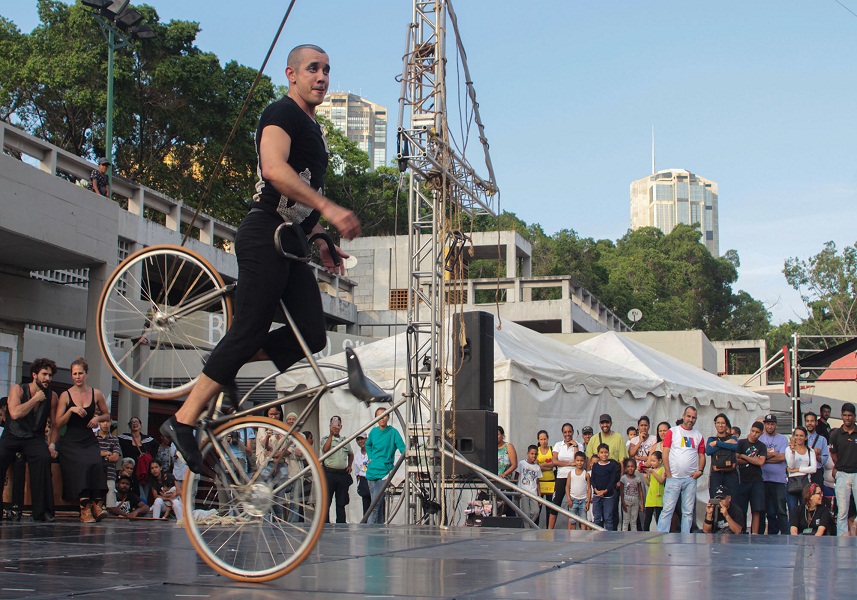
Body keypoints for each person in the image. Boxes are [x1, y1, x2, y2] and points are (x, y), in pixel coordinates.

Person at [161, 44, 361, 474]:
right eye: (313, 69)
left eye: (327, 69)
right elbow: (274, 170)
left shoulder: (315, 132)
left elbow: (301, 201)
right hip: (264, 234)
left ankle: (228, 363)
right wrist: (329, 209)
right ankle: (183, 420)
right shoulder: (281, 113)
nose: (322, 76)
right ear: (292, 74)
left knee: (312, 334)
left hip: (291, 242)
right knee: (249, 326)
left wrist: (322, 237)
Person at [0, 358, 58, 522]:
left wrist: (52, 444)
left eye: (50, 375)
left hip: (34, 437)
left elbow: (54, 425)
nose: (48, 378)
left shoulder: (52, 396)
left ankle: (42, 511)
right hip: (12, 434)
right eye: (44, 374)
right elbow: (15, 414)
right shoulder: (18, 389)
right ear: (34, 375)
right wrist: (34, 399)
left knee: (43, 458)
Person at [54, 357, 110, 523]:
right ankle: (84, 508)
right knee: (82, 465)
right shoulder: (65, 395)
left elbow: (107, 414)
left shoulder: (96, 393)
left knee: (96, 462)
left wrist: (97, 419)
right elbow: (58, 423)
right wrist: (71, 410)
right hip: (71, 439)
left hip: (88, 437)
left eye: (80, 373)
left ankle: (97, 504)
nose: (77, 376)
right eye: (74, 374)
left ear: (86, 374)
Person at [657, 406, 705, 533]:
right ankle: (661, 535)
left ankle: (686, 537)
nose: (691, 419)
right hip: (674, 478)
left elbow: (701, 455)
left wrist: (700, 471)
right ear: (683, 416)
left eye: (693, 417)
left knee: (688, 512)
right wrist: (668, 471)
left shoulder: (698, 435)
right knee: (667, 509)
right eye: (688, 416)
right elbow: (665, 452)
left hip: (690, 479)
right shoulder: (673, 432)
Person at [365, 407, 405, 524]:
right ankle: (378, 532)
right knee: (378, 504)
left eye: (384, 415)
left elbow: (403, 449)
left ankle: (370, 531)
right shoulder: (373, 432)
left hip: (385, 473)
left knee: (375, 504)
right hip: (372, 472)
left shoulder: (393, 432)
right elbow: (368, 445)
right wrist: (371, 457)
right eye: (379, 416)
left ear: (388, 417)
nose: (382, 419)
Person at [829, 402, 857, 536]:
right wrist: (841, 465)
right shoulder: (836, 434)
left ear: (855, 417)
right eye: (845, 415)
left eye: (850, 415)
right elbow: (833, 454)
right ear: (841, 416)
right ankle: (842, 539)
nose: (847, 418)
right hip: (842, 473)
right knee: (842, 512)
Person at [734, 421, 767, 534]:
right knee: (741, 509)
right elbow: (735, 459)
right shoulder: (741, 443)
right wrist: (753, 459)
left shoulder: (761, 446)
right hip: (742, 480)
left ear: (761, 434)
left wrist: (744, 456)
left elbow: (761, 462)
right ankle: (741, 532)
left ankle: (755, 534)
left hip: (756, 481)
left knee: (757, 510)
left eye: (757, 432)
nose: (754, 434)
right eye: (753, 431)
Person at [759, 414, 789, 534]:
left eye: (772, 424)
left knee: (781, 510)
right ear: (764, 424)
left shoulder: (782, 439)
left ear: (776, 425)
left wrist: (765, 457)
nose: (770, 426)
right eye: (767, 424)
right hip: (763, 479)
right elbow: (757, 457)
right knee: (767, 511)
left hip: (779, 480)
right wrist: (773, 454)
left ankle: (786, 534)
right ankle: (770, 534)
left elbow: (782, 457)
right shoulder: (760, 439)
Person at [321, 415, 353, 524]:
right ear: (330, 426)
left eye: (338, 425)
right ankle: (325, 524)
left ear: (341, 426)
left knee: (341, 502)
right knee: (327, 501)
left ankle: (341, 525)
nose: (336, 428)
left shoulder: (345, 441)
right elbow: (325, 449)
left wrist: (349, 465)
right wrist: (331, 434)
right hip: (329, 473)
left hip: (342, 474)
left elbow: (351, 454)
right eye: (333, 425)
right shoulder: (326, 439)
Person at [548, 423, 579, 529]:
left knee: (572, 504)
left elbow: (578, 461)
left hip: (574, 477)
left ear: (573, 432)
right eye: (565, 432)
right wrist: (569, 464)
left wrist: (575, 446)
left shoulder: (578, 445)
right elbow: (554, 461)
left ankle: (570, 532)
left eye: (569, 432)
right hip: (561, 477)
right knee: (555, 503)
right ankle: (549, 530)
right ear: (562, 433)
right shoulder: (558, 445)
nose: (567, 434)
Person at [118, 416, 156, 502]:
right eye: (132, 422)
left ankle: (142, 512)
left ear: (140, 425)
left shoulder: (147, 439)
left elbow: (156, 445)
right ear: (130, 426)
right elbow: (114, 442)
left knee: (144, 496)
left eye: (136, 422)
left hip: (144, 471)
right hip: (131, 472)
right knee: (136, 494)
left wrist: (150, 458)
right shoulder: (124, 438)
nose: (134, 424)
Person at [785, 426, 817, 522]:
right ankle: (792, 533)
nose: (799, 438)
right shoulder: (788, 449)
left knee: (805, 510)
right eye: (797, 435)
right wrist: (793, 452)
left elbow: (813, 468)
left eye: (801, 436)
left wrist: (797, 469)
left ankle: (804, 533)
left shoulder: (810, 451)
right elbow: (790, 465)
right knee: (792, 511)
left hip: (805, 483)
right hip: (792, 483)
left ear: (806, 437)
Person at [706, 413, 738, 497]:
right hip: (716, 473)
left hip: (731, 473)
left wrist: (717, 444)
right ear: (715, 424)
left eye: (723, 423)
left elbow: (735, 446)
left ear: (726, 424)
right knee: (715, 499)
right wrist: (724, 443)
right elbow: (708, 451)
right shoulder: (711, 439)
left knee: (732, 498)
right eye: (718, 423)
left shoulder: (732, 438)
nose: (720, 425)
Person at [590, 443, 621, 530]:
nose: (604, 454)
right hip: (597, 495)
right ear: (598, 454)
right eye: (602, 452)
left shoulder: (612, 466)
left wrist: (605, 491)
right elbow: (593, 479)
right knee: (597, 518)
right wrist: (596, 490)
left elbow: (612, 480)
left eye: (606, 452)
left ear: (608, 453)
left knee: (608, 518)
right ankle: (597, 536)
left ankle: (608, 537)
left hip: (608, 496)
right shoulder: (595, 466)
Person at [96, 419, 121, 508]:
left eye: (107, 422)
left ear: (111, 422)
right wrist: (107, 453)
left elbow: (115, 457)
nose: (105, 424)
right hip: (95, 473)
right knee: (96, 502)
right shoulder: (93, 437)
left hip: (110, 474)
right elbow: (92, 454)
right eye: (103, 421)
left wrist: (102, 457)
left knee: (110, 504)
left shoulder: (114, 439)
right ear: (99, 423)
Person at [515, 445, 542, 522]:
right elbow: (516, 477)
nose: (534, 456)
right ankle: (527, 529)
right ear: (528, 453)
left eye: (535, 454)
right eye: (532, 453)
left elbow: (538, 482)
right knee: (525, 513)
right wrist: (516, 490)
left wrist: (539, 495)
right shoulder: (522, 463)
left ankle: (529, 525)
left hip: (533, 493)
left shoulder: (537, 467)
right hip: (523, 492)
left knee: (536, 511)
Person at [535, 430, 556, 526]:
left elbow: (554, 464)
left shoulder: (552, 449)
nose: (543, 441)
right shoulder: (536, 451)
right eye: (541, 439)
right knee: (537, 507)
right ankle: (535, 526)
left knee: (550, 507)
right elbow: (535, 466)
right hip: (539, 482)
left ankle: (549, 528)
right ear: (538, 440)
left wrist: (541, 465)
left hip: (551, 481)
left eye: (545, 439)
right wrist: (548, 465)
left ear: (548, 439)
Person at [566, 451, 590, 530]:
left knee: (583, 521)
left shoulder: (586, 474)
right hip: (573, 500)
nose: (579, 463)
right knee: (572, 521)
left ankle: (583, 539)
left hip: (583, 500)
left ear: (584, 462)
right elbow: (567, 486)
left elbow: (589, 488)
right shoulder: (571, 473)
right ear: (575, 461)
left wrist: (588, 501)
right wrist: (569, 498)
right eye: (578, 460)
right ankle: (573, 538)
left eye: (581, 461)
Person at [804, 412, 829, 487]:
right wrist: (812, 451)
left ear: (816, 422)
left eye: (812, 421)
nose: (809, 423)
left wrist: (817, 457)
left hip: (817, 472)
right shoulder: (801, 438)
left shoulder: (822, 439)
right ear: (805, 423)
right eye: (807, 421)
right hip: (804, 472)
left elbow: (825, 458)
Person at [643, 451, 666, 531]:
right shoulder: (651, 470)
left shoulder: (663, 469)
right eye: (651, 461)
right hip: (651, 495)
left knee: (659, 517)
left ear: (660, 461)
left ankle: (660, 532)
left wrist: (653, 472)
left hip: (659, 495)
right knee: (647, 518)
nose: (652, 463)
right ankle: (645, 533)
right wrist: (646, 477)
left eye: (654, 461)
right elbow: (649, 483)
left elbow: (661, 480)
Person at [619, 458, 643, 531]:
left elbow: (640, 491)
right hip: (627, 500)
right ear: (625, 468)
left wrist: (641, 503)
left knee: (633, 521)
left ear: (635, 467)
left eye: (632, 466)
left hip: (635, 500)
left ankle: (633, 536)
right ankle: (624, 535)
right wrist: (623, 502)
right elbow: (622, 491)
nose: (630, 468)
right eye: (628, 467)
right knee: (626, 520)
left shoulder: (637, 479)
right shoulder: (623, 478)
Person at [354, 433, 371, 517]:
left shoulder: (372, 452)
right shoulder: (357, 455)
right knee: (366, 503)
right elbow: (357, 472)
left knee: (375, 503)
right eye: (358, 439)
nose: (360, 441)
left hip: (372, 478)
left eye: (362, 439)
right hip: (363, 480)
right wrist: (359, 483)